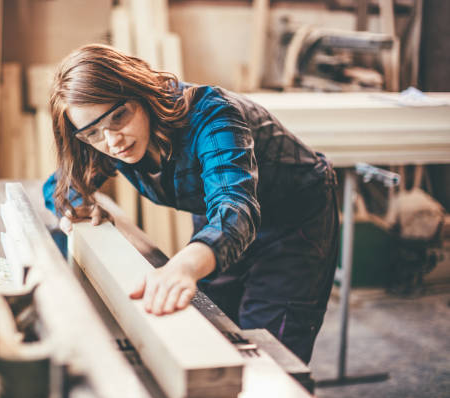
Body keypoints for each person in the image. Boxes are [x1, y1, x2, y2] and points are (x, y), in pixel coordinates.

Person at [43, 44, 339, 364]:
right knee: (211, 326)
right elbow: (58, 187)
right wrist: (77, 207)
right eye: (92, 134)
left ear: (140, 93)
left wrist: (184, 266)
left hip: (293, 220)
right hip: (219, 219)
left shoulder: (211, 114)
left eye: (119, 116)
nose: (112, 141)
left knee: (271, 352)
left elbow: (235, 206)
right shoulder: (108, 140)